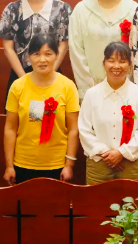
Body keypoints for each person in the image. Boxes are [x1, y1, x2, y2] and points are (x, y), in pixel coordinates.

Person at [3, 35, 80, 185]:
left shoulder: (67, 86)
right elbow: (10, 128)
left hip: (57, 164)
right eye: (36, 54)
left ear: (57, 56)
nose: (42, 59)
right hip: (23, 163)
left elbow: (73, 129)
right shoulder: (18, 86)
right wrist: (9, 166)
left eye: (48, 54)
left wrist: (69, 165)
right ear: (29, 57)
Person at [0, 0, 72, 108]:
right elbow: (8, 48)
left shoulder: (62, 9)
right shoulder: (12, 10)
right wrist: (25, 80)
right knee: (21, 124)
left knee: (52, 121)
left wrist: (49, 74)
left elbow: (63, 44)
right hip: (20, 75)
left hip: (52, 75)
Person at [78, 42, 138, 185]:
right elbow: (84, 129)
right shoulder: (91, 94)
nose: (116, 66)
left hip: (131, 163)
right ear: (104, 63)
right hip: (99, 163)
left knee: (133, 207)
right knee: (97, 206)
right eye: (111, 61)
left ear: (130, 65)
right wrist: (106, 154)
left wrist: (121, 153)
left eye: (122, 61)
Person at [69, 0, 138, 99]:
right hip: (93, 89)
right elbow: (76, 52)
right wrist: (90, 85)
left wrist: (129, 83)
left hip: (126, 89)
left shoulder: (133, 9)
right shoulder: (82, 10)